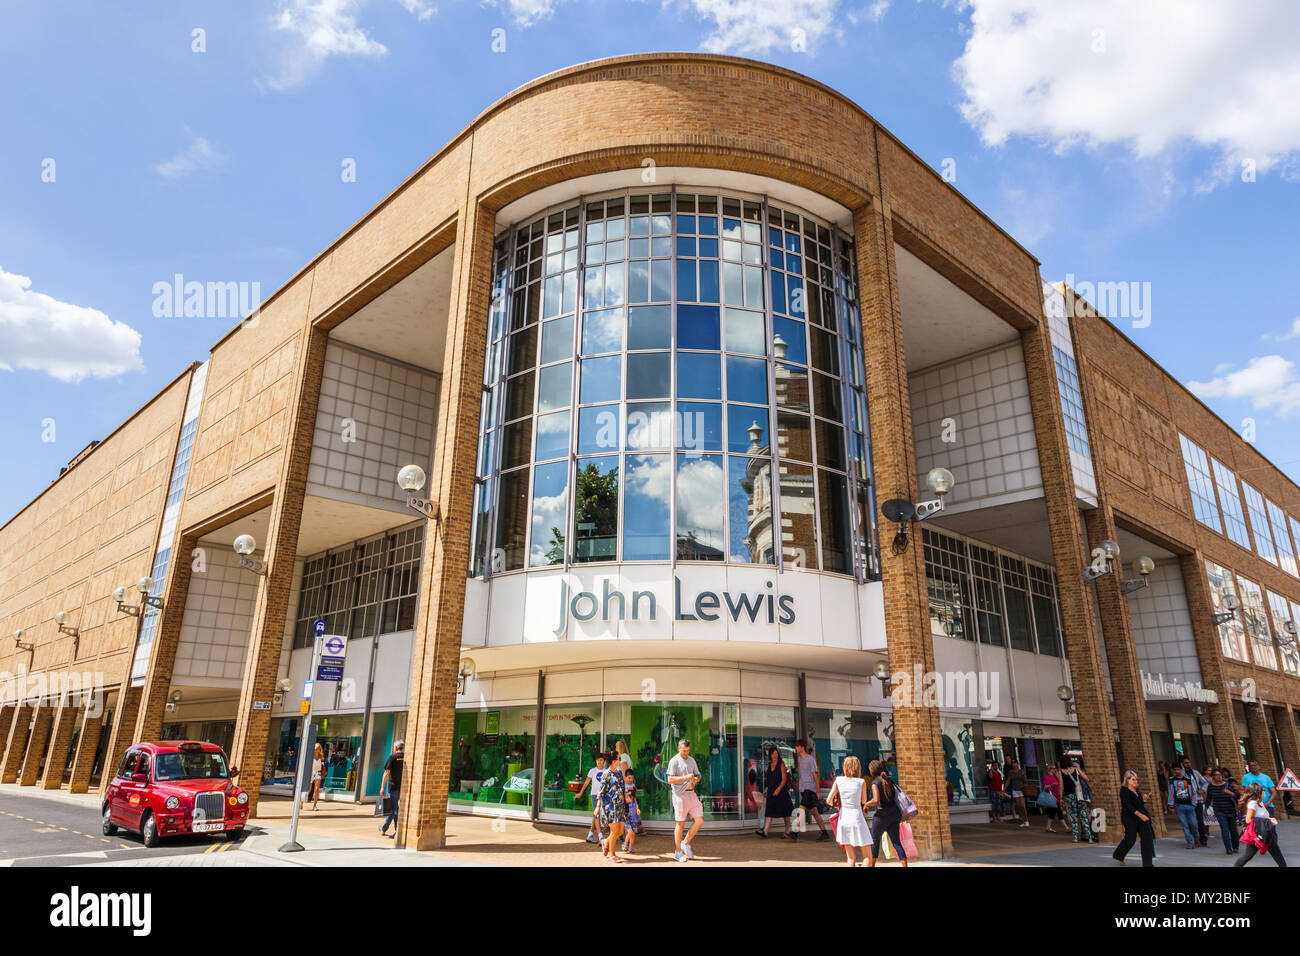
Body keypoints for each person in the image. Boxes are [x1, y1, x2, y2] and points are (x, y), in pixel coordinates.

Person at [827, 755, 871, 866]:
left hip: (844, 820)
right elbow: (863, 801)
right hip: (857, 819)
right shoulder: (861, 782)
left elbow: (828, 800)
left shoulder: (839, 780)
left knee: (851, 858)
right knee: (867, 856)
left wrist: (837, 805)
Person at [864, 759, 907, 867]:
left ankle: (871, 865)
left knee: (875, 840)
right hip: (894, 814)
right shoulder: (889, 780)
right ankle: (905, 865)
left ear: (871, 771)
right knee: (896, 842)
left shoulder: (875, 783)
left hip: (882, 817)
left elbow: (876, 800)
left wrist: (866, 804)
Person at [666, 738, 703, 862]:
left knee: (700, 820)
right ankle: (677, 852)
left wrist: (697, 778)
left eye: (687, 751)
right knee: (680, 824)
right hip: (679, 795)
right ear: (679, 749)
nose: (686, 753)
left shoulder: (692, 760)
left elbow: (698, 774)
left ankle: (685, 843)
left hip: (692, 794)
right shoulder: (674, 761)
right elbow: (670, 780)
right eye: (684, 751)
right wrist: (685, 777)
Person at [1234, 782, 1287, 867]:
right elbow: (1248, 820)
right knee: (1247, 856)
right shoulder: (1253, 804)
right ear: (1258, 792)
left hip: (1265, 832)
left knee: (1277, 854)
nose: (1264, 792)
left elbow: (1261, 818)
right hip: (1256, 834)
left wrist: (1270, 819)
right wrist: (1268, 822)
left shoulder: (1261, 804)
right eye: (1263, 790)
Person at [1112, 770, 1155, 867]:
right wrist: (1141, 815)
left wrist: (1144, 799)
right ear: (1127, 780)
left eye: (1136, 779)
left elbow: (1139, 804)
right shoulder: (1124, 790)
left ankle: (1148, 864)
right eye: (1133, 779)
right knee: (1130, 839)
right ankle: (1118, 854)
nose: (1135, 781)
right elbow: (1129, 806)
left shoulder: (1137, 791)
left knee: (1147, 839)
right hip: (1129, 818)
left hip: (1141, 818)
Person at [794, 740, 831, 842]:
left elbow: (815, 775)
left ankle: (794, 832)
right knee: (814, 812)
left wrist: (818, 791)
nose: (795, 748)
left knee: (801, 809)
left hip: (809, 789)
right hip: (803, 788)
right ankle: (824, 833)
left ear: (802, 747)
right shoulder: (800, 759)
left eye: (797, 746)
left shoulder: (810, 759)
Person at [596, 752, 628, 862]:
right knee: (614, 831)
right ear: (614, 761)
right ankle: (612, 855)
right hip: (610, 807)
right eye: (619, 758)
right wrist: (598, 806)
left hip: (620, 806)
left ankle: (605, 842)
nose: (621, 760)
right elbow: (601, 792)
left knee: (620, 831)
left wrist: (625, 803)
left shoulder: (619, 773)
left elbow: (623, 789)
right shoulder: (606, 774)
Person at [758, 746, 795, 839]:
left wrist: (778, 789)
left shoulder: (781, 764)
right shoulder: (769, 765)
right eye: (773, 753)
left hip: (781, 792)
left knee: (785, 812)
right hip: (771, 791)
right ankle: (765, 831)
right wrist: (766, 789)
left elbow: (784, 779)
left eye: (776, 753)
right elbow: (768, 779)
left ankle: (787, 830)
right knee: (769, 811)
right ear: (770, 755)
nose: (775, 755)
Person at [574, 751, 608, 845]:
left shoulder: (606, 771)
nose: (599, 762)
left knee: (595, 815)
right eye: (597, 760)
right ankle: (600, 836)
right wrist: (580, 793)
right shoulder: (592, 771)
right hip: (594, 795)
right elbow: (586, 783)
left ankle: (590, 835)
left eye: (601, 760)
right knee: (596, 815)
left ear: (604, 761)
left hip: (603, 796)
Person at [1206, 768, 1241, 855]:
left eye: (1220, 775)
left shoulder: (1228, 785)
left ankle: (1235, 847)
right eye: (1216, 775)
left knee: (1233, 830)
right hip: (1219, 811)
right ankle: (1228, 849)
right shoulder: (1210, 787)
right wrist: (1205, 808)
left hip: (1231, 810)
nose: (1218, 777)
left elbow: (1237, 795)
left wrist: (1229, 792)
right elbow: (1208, 798)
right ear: (1213, 777)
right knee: (1225, 829)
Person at [1060, 756, 1093, 842]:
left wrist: (1060, 798)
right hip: (1079, 795)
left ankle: (1075, 838)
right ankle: (1089, 837)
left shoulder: (1061, 772)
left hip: (1069, 796)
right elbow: (1087, 778)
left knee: (1073, 816)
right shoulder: (1075, 769)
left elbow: (1061, 786)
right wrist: (1078, 768)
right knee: (1083, 815)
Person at [1167, 764, 1199, 849]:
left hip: (1190, 804)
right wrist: (1171, 805)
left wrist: (1194, 803)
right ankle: (1190, 843)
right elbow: (1170, 792)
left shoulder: (1188, 779)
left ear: (1182, 770)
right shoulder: (1171, 780)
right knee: (1185, 825)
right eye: (1175, 770)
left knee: (1194, 824)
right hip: (1179, 805)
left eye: (1178, 769)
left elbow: (1194, 791)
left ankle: (1196, 838)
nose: (1177, 771)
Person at [1181, 757, 1209, 847]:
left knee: (1200, 821)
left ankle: (1203, 839)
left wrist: (1202, 790)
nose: (1188, 764)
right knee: (1191, 822)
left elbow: (1205, 782)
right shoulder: (1181, 774)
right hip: (1186, 801)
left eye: (1189, 762)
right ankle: (1194, 839)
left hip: (1198, 800)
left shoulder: (1195, 773)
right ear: (1182, 764)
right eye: (1186, 763)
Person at [378, 739, 404, 837]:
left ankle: (398, 831)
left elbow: (386, 773)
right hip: (402, 787)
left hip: (393, 787)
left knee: (395, 809)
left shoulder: (392, 757)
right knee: (392, 809)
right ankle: (384, 828)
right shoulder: (405, 757)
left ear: (396, 748)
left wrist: (382, 787)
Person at [621, 768, 640, 853]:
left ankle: (630, 848)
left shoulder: (633, 786)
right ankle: (625, 844)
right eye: (629, 778)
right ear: (625, 777)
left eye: (632, 778)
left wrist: (637, 808)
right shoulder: (623, 785)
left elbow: (635, 799)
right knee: (630, 831)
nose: (630, 780)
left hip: (634, 816)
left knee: (633, 834)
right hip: (627, 814)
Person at [1006, 760, 1029, 829]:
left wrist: (1023, 776)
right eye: (1012, 763)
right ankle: (1023, 821)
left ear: (1017, 764)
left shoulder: (1021, 771)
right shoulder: (1010, 772)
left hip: (1021, 790)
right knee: (1018, 806)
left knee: (1023, 806)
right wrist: (1004, 788)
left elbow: (1025, 780)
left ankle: (1026, 820)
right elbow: (1008, 781)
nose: (1013, 764)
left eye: (1015, 763)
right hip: (1015, 790)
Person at [1041, 763, 1063, 833]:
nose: (1055, 770)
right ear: (1050, 769)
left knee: (1052, 813)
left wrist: (1057, 774)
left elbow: (1061, 782)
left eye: (1055, 768)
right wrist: (1051, 785)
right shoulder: (1047, 777)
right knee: (1059, 812)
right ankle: (1066, 827)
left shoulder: (1055, 776)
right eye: (1054, 769)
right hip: (1052, 798)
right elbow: (1045, 787)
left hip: (1057, 796)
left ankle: (1048, 827)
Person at [307, 742, 324, 811]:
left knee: (316, 790)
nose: (317, 750)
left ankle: (315, 805)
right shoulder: (311, 756)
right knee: (309, 790)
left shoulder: (321, 757)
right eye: (316, 748)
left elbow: (322, 766)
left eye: (318, 748)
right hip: (311, 773)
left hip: (318, 773)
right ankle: (301, 802)